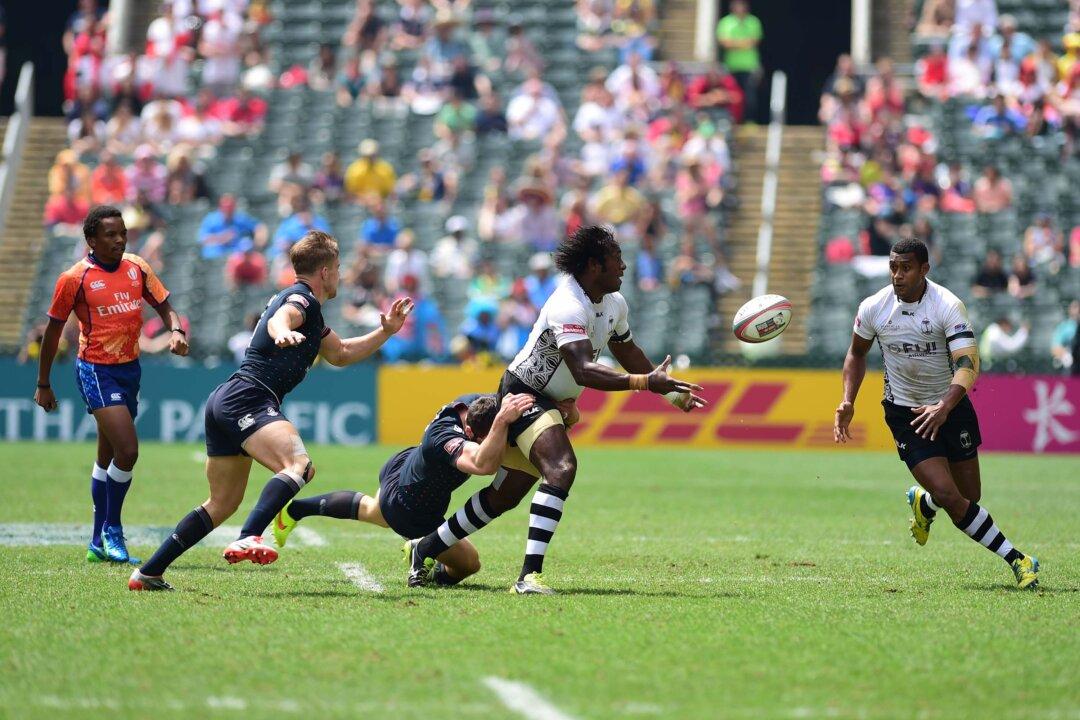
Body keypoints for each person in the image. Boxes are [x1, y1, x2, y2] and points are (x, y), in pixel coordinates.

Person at [406, 226, 707, 594]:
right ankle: (528, 577)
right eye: (617, 260)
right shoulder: (568, 303)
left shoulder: (614, 304)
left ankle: (424, 548)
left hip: (551, 402)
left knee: (504, 496)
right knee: (561, 467)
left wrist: (670, 392)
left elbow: (627, 352)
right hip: (524, 394)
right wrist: (643, 384)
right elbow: (583, 369)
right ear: (595, 266)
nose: (624, 267)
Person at [129, 232, 413, 591]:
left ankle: (149, 572)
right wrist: (281, 332)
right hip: (248, 398)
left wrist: (385, 332)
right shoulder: (302, 299)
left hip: (228, 399)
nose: (340, 275)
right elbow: (284, 317)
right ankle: (250, 535)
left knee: (221, 503)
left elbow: (340, 353)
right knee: (299, 466)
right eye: (338, 268)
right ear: (324, 272)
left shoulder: (310, 308)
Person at [834, 238, 1038, 590]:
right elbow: (856, 353)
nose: (898, 275)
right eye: (893, 267)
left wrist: (944, 405)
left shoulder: (946, 305)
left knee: (968, 495)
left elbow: (968, 363)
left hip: (951, 407)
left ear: (924, 269)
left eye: (907, 268)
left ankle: (923, 503)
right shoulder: (873, 307)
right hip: (906, 414)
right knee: (951, 496)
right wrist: (848, 399)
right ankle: (1018, 559)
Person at [34, 206, 189, 565]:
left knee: (106, 456)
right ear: (91, 240)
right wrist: (44, 382)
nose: (119, 239)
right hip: (96, 370)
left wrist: (176, 330)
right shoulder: (74, 278)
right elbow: (53, 332)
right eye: (110, 234)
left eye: (122, 233)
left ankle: (95, 541)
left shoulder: (137, 267)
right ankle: (113, 530)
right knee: (129, 450)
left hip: (129, 369)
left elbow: (165, 305)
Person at [271, 393, 535, 586]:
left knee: (373, 510)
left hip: (404, 469)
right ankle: (421, 552)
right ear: (468, 431)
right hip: (412, 506)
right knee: (469, 564)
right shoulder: (442, 438)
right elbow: (484, 463)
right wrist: (500, 426)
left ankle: (295, 509)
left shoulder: (477, 406)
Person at [715, 0, 763, 122]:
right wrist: (744, 43)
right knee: (732, 96)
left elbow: (754, 41)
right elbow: (724, 42)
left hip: (749, 66)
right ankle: (733, 121)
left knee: (750, 96)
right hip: (731, 66)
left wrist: (734, 43)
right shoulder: (725, 22)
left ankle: (749, 121)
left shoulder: (754, 22)